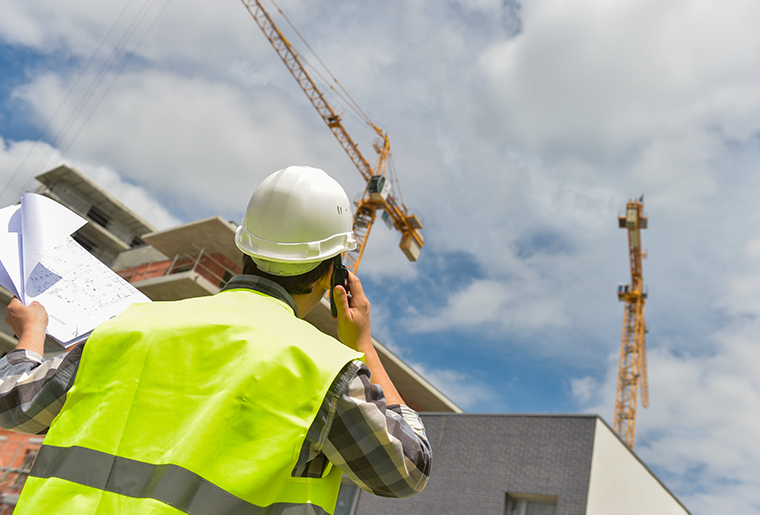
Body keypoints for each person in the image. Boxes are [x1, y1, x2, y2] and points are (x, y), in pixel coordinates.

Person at [0, 165, 431, 514]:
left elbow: (15, 407)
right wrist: (363, 345)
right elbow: (408, 470)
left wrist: (31, 336)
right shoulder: (325, 370)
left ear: (245, 247)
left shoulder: (128, 326)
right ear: (334, 270)